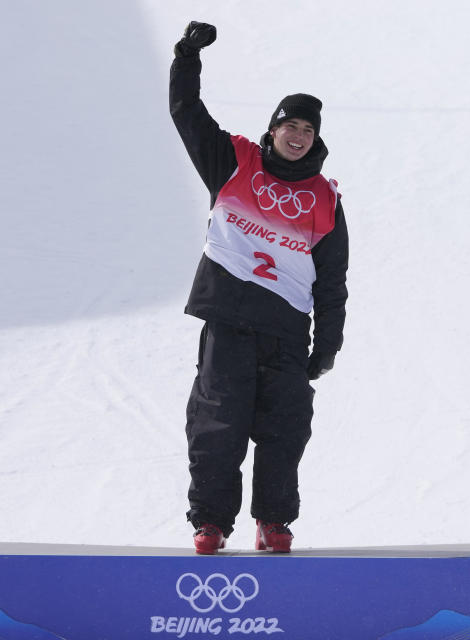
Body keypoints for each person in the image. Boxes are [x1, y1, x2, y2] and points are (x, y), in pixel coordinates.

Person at [170, 21, 349, 554]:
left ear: (316, 140)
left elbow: (333, 281)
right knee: (216, 426)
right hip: (228, 322)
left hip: (287, 334)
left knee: (285, 432)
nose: (297, 136)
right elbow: (187, 113)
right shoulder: (234, 162)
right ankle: (211, 523)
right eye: (289, 125)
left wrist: (328, 345)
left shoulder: (325, 200)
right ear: (272, 129)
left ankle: (273, 522)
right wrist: (187, 56)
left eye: (307, 130)